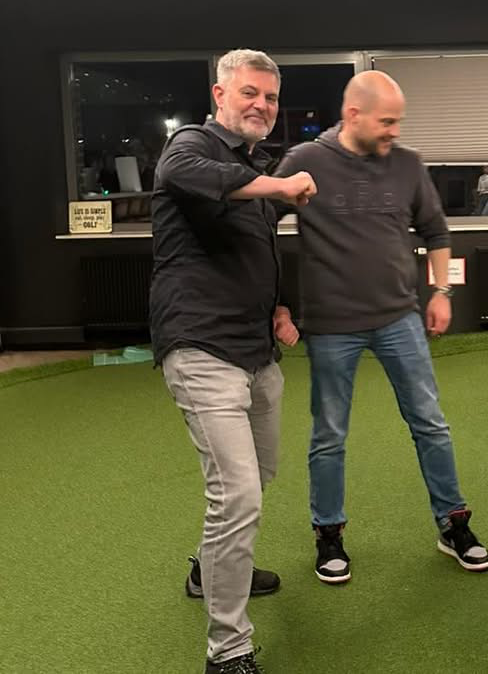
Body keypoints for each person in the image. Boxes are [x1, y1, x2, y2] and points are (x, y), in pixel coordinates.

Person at [275, 70, 488, 584]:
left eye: (398, 122)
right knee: (329, 434)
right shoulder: (305, 161)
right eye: (387, 122)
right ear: (353, 115)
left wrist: (441, 293)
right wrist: (277, 305)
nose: (395, 131)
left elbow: (436, 230)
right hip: (332, 326)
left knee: (430, 423)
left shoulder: (407, 164)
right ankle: (329, 534)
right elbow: (257, 227)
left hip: (399, 318)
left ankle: (453, 524)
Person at [149, 49, 317, 674]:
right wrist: (280, 186)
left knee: (257, 475)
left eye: (270, 97)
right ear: (219, 94)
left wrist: (280, 306)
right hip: (201, 347)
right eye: (249, 92)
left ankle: (207, 570)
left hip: (256, 350)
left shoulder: (252, 165)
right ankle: (228, 650)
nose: (261, 105)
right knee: (238, 492)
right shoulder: (191, 145)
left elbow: (257, 252)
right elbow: (186, 172)